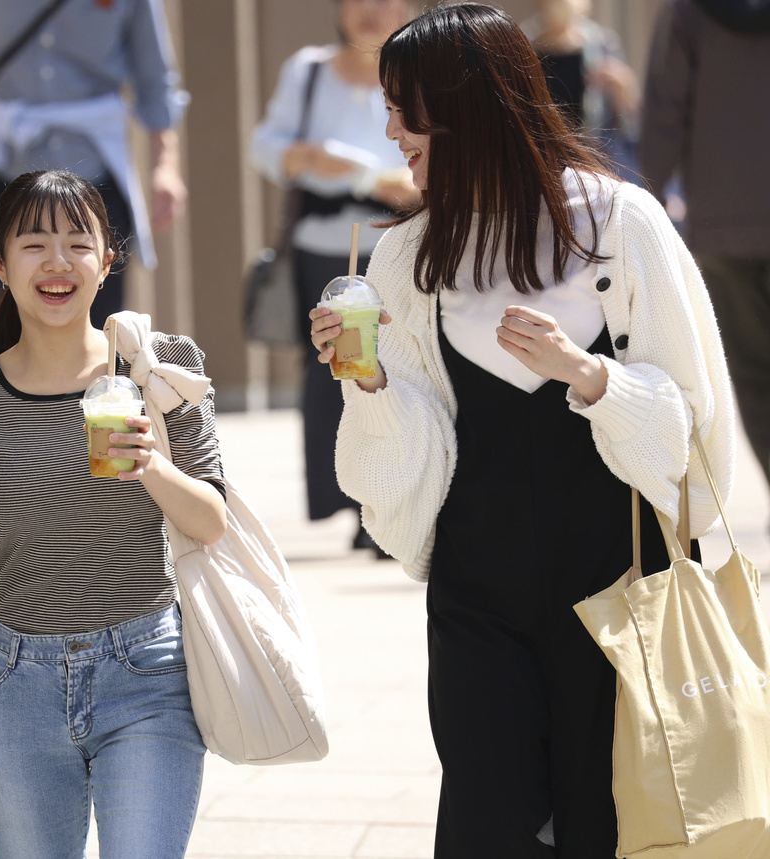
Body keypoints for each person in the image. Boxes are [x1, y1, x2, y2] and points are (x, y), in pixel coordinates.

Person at [309, 4, 734, 856]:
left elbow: (694, 424)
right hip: (479, 597)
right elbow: (405, 465)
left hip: (622, 590)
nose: (390, 129)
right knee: (489, 822)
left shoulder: (621, 225)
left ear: (469, 106)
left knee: (610, 825)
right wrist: (374, 378)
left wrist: (593, 376)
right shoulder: (404, 257)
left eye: (406, 106)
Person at [0, 170, 226, 859]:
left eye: (79, 243)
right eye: (33, 243)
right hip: (17, 683)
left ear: (107, 261)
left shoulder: (161, 368)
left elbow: (211, 521)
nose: (58, 262)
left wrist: (152, 465)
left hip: (148, 673)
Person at [250, 0, 419, 553]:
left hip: (396, 243)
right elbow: (265, 147)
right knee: (332, 368)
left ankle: (391, 499)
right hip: (323, 248)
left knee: (396, 362)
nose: (370, 10)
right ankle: (354, 502)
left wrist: (377, 178)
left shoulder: (417, 68)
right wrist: (305, 158)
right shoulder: (308, 70)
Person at [0, 0, 189, 325]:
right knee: (9, 320)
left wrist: (165, 164)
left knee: (97, 321)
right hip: (5, 166)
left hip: (96, 171)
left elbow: (155, 77)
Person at [639, 0, 770, 488]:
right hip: (722, 230)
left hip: (721, 225)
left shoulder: (688, 12)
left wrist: (644, 207)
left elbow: (664, 112)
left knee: (755, 381)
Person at [521, 0, 641, 182]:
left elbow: (627, 117)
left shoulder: (602, 44)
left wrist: (623, 85)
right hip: (543, 161)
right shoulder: (525, 45)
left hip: (594, 160)